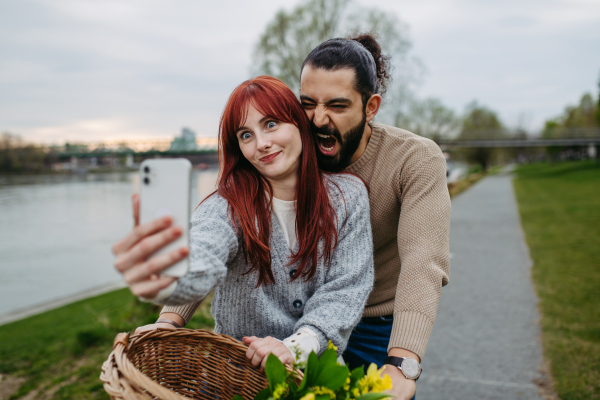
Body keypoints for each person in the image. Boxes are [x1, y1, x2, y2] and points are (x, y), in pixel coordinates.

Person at [162, 34, 450, 400]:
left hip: (376, 316)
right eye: (308, 104)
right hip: (296, 320)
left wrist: (403, 362)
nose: (318, 119)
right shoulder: (289, 146)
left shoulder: (413, 160)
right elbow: (218, 235)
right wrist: (170, 316)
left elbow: (423, 262)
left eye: (338, 105)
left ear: (371, 107)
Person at [112, 76, 374, 370]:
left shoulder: (348, 197)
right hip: (239, 378)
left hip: (316, 374)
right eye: (246, 135)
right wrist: (168, 279)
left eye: (271, 124)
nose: (261, 144)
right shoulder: (225, 207)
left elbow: (346, 289)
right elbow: (204, 255)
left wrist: (298, 346)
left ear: (299, 123)